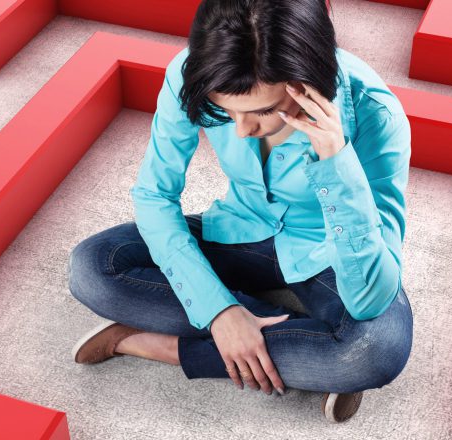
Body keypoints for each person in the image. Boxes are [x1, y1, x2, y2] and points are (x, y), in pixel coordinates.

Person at [67, 0, 413, 424]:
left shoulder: (376, 113)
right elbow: (155, 196)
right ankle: (299, 348)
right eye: (225, 112)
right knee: (91, 268)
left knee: (375, 350)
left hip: (325, 249)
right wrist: (220, 312)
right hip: (240, 227)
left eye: (264, 111)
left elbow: (370, 296)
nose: (241, 130)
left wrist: (335, 159)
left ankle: (152, 344)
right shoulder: (194, 73)